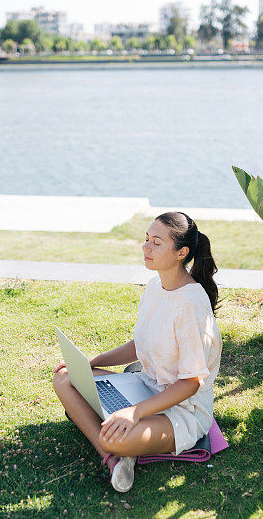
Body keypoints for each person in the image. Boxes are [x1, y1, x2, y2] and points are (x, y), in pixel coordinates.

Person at [52, 211, 222, 493]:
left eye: (157, 242)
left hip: (180, 411)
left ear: (182, 252)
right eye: (146, 239)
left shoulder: (191, 305)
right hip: (143, 386)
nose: (145, 247)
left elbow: (192, 383)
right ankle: (119, 456)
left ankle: (113, 456)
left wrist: (135, 413)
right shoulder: (156, 285)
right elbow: (139, 344)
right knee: (65, 376)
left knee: (111, 439)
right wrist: (90, 362)